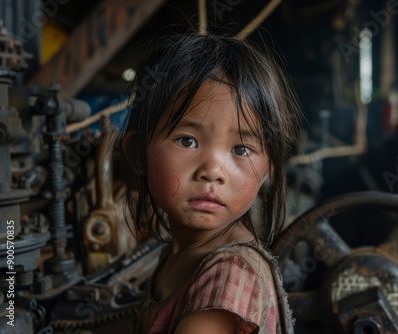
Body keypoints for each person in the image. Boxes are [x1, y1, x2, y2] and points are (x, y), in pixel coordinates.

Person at [119, 28, 302, 334]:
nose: (213, 171)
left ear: (270, 167)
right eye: (187, 141)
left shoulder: (229, 274)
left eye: (241, 149)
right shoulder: (179, 253)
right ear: (138, 154)